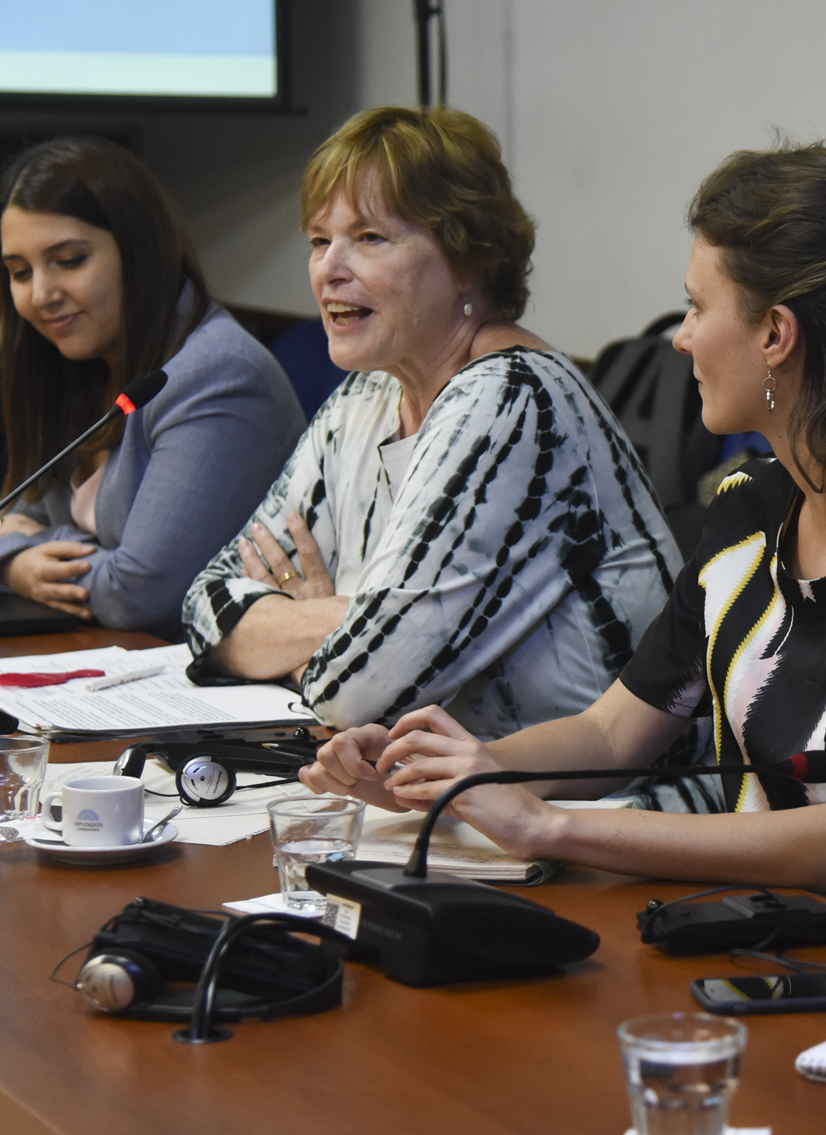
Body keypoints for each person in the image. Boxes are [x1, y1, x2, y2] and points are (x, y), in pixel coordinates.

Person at [300, 143, 826, 930]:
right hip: (768, 941)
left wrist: (544, 823)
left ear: (777, 335)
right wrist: (457, 775)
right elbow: (614, 732)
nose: (680, 339)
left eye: (697, 307)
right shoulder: (751, 505)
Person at [182, 106, 679, 739]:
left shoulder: (514, 401)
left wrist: (299, 641)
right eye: (318, 239)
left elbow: (353, 695)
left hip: (600, 812)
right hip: (443, 797)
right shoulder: (368, 395)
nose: (329, 267)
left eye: (369, 238)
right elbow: (204, 605)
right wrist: (352, 620)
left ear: (469, 258)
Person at [0, 137, 307, 636]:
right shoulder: (77, 364)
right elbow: (3, 522)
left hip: (213, 689)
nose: (41, 295)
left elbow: (141, 595)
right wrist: (15, 557)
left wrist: (25, 552)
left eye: (69, 260)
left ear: (139, 251)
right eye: (20, 272)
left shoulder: (218, 374)